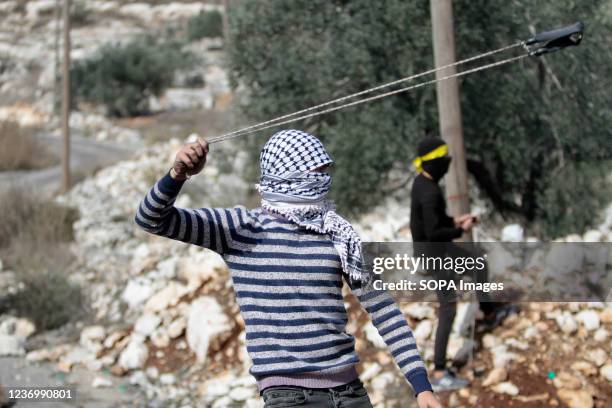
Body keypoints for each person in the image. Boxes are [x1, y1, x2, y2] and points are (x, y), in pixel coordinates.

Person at [135, 130, 442, 408]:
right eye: (316, 171)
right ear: (289, 175)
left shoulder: (337, 233)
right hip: (289, 398)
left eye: (325, 170)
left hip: (350, 393)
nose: (324, 178)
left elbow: (383, 309)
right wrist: (177, 174)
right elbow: (151, 218)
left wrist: (421, 386)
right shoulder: (240, 228)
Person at [410, 137, 514, 392]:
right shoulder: (430, 191)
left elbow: (433, 220)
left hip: (436, 249)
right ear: (434, 162)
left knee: (478, 264)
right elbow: (434, 231)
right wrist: (461, 230)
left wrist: (456, 220)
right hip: (435, 253)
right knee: (448, 310)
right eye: (444, 160)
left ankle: (489, 313)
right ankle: (438, 371)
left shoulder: (423, 182)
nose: (448, 164)